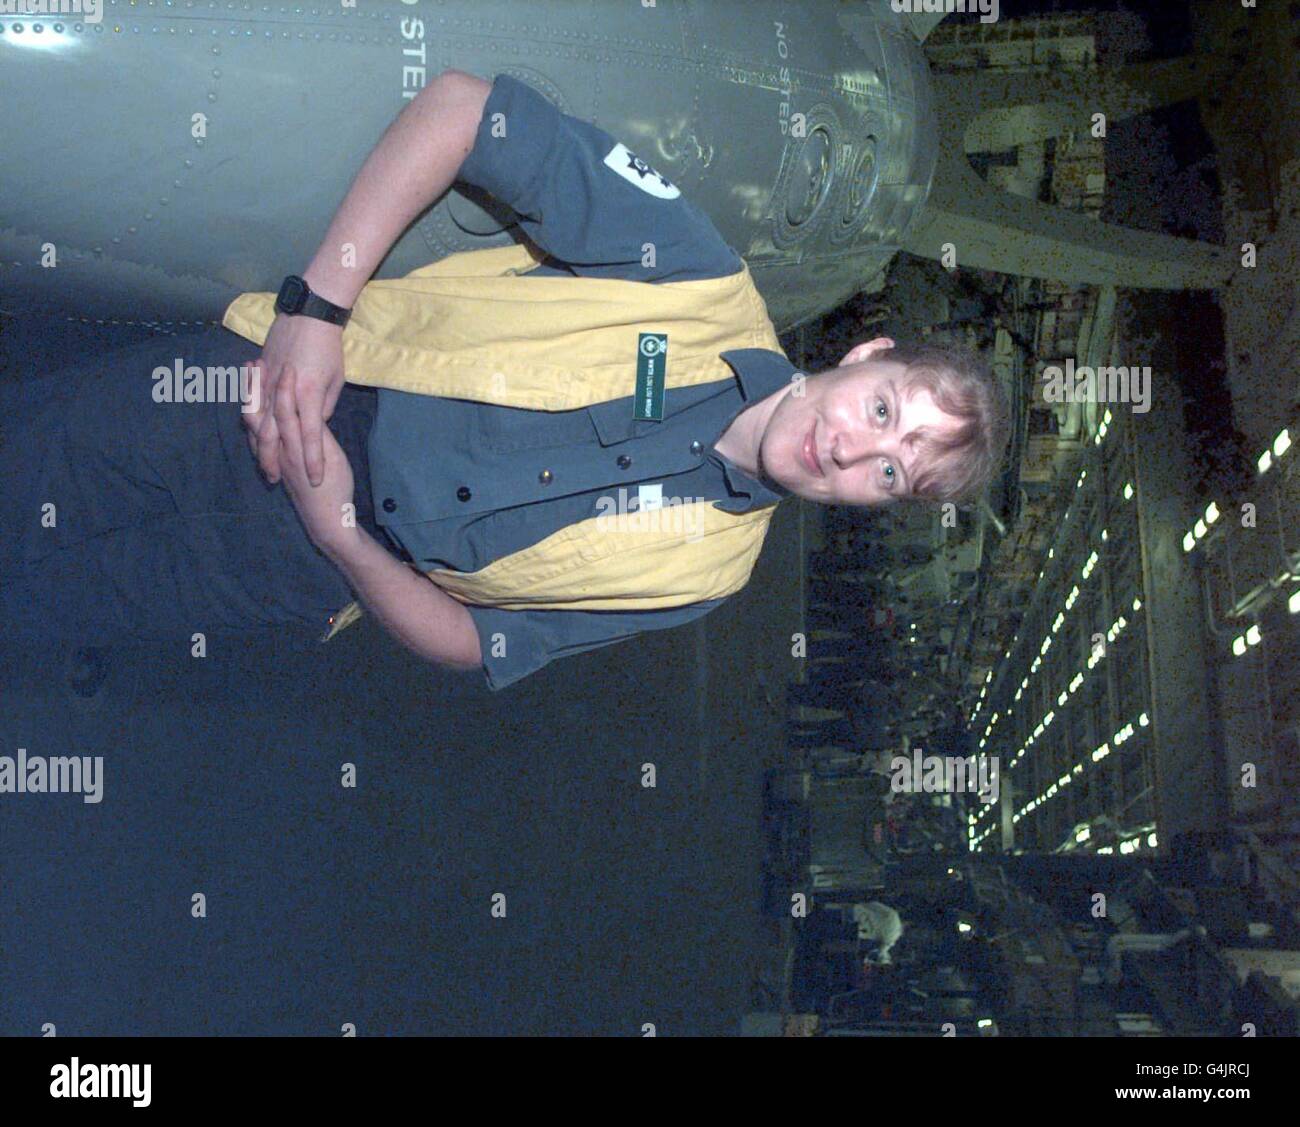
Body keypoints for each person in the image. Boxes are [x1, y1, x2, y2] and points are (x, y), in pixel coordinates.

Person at [1, 70, 1011, 692]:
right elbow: (464, 112)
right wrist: (318, 311)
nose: (849, 448)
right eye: (883, 412)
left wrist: (335, 534)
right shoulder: (697, 279)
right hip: (270, 394)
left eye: (888, 473)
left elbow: (478, 644)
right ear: (867, 358)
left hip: (296, 566)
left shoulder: (707, 577)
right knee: (29, 461)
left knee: (50, 603)